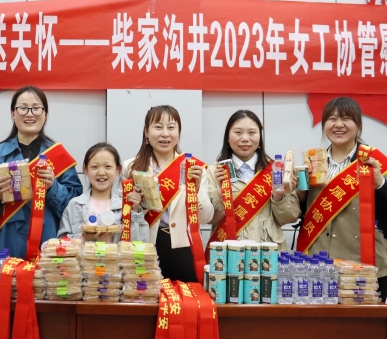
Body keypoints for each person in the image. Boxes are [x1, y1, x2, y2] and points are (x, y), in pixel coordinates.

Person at [0, 86, 83, 258]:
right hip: (6, 240)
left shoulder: (58, 155)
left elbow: (76, 207)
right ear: (13, 113)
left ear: (45, 114)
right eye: (23, 108)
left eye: (36, 108)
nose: (29, 114)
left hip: (48, 241)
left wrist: (53, 188)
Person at [297, 97, 387, 301]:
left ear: (358, 125)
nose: (338, 124)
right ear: (324, 125)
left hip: (363, 262)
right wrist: (298, 194)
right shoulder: (312, 162)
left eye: (346, 118)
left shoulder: (375, 161)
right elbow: (300, 212)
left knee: (365, 321)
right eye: (332, 119)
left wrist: (380, 183)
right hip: (318, 262)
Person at [123, 105, 214, 282]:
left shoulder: (193, 168)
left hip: (183, 247)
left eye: (171, 127)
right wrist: (136, 205)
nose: (165, 134)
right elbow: (123, 216)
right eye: (158, 127)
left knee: (184, 297)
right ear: (146, 132)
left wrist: (196, 191)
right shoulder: (131, 167)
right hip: (145, 246)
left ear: (178, 132)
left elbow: (206, 218)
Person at [207, 110, 300, 251]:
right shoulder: (214, 171)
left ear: (260, 137)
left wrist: (278, 196)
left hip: (268, 253)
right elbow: (208, 218)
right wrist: (221, 195)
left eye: (252, 133)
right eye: (238, 132)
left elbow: (290, 217)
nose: (245, 138)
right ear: (227, 137)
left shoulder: (276, 170)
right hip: (230, 253)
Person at [58, 142, 148, 242]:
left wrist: (135, 210)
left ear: (118, 170)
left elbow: (141, 243)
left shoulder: (126, 205)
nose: (101, 172)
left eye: (108, 166)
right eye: (94, 167)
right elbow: (60, 242)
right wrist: (83, 238)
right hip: (85, 253)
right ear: (85, 170)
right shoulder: (74, 205)